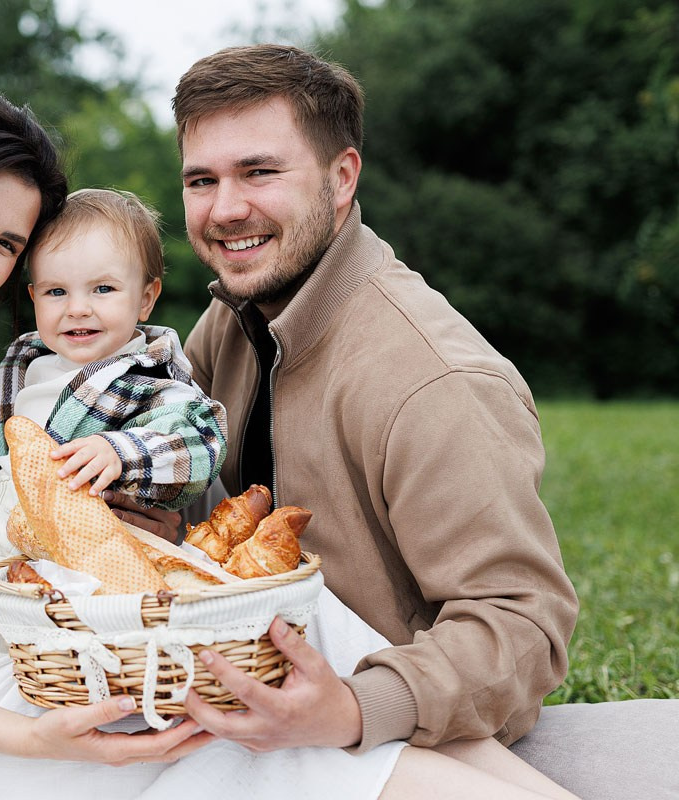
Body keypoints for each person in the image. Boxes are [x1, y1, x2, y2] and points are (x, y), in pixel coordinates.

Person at [0, 92, 577, 800]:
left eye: (5, 241)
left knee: (296, 622)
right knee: (236, 745)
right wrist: (29, 736)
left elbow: (33, 491)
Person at [123, 42, 581, 771]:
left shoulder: (435, 381)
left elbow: (521, 627)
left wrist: (355, 709)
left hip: (387, 742)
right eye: (201, 180)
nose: (225, 208)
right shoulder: (230, 321)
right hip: (237, 699)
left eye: (260, 172)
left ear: (342, 178)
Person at [0, 187, 229, 661]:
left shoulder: (146, 375)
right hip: (10, 526)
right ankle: (55, 660)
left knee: (116, 607)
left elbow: (201, 442)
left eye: (103, 289)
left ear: (146, 298)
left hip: (96, 538)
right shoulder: (35, 365)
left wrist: (121, 452)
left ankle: (106, 659)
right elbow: (20, 450)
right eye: (56, 292)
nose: (77, 308)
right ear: (34, 298)